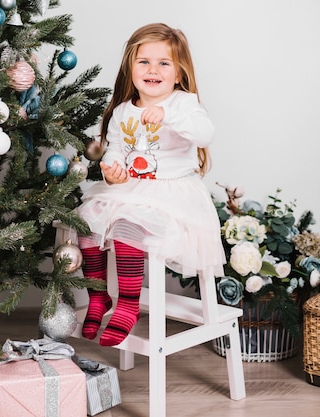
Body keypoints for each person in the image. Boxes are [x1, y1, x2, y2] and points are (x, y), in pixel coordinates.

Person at [76, 23, 226, 347]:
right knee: (86, 221)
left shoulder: (184, 103)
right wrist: (111, 170)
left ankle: (128, 304)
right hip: (130, 188)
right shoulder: (121, 112)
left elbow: (205, 133)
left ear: (178, 71)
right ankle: (99, 296)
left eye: (163, 63)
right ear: (130, 68)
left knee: (129, 225)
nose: (153, 70)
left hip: (172, 194)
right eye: (144, 62)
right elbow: (115, 148)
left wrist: (168, 115)